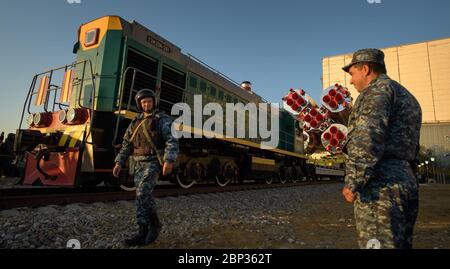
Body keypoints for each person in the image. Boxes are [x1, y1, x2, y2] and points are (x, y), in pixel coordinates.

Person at [341, 49, 422, 249]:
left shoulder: (375, 92)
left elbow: (367, 137)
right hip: (405, 181)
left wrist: (353, 180)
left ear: (366, 69)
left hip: (381, 187)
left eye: (352, 74)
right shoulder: (407, 96)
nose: (351, 81)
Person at [113, 89, 179, 246]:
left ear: (154, 103)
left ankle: (145, 231)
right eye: (143, 102)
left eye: (149, 101)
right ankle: (151, 226)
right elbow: (127, 144)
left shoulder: (162, 120)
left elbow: (172, 139)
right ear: (140, 104)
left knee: (142, 194)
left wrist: (169, 160)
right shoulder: (135, 122)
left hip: (153, 163)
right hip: (138, 163)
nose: (146, 104)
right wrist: (119, 162)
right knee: (142, 196)